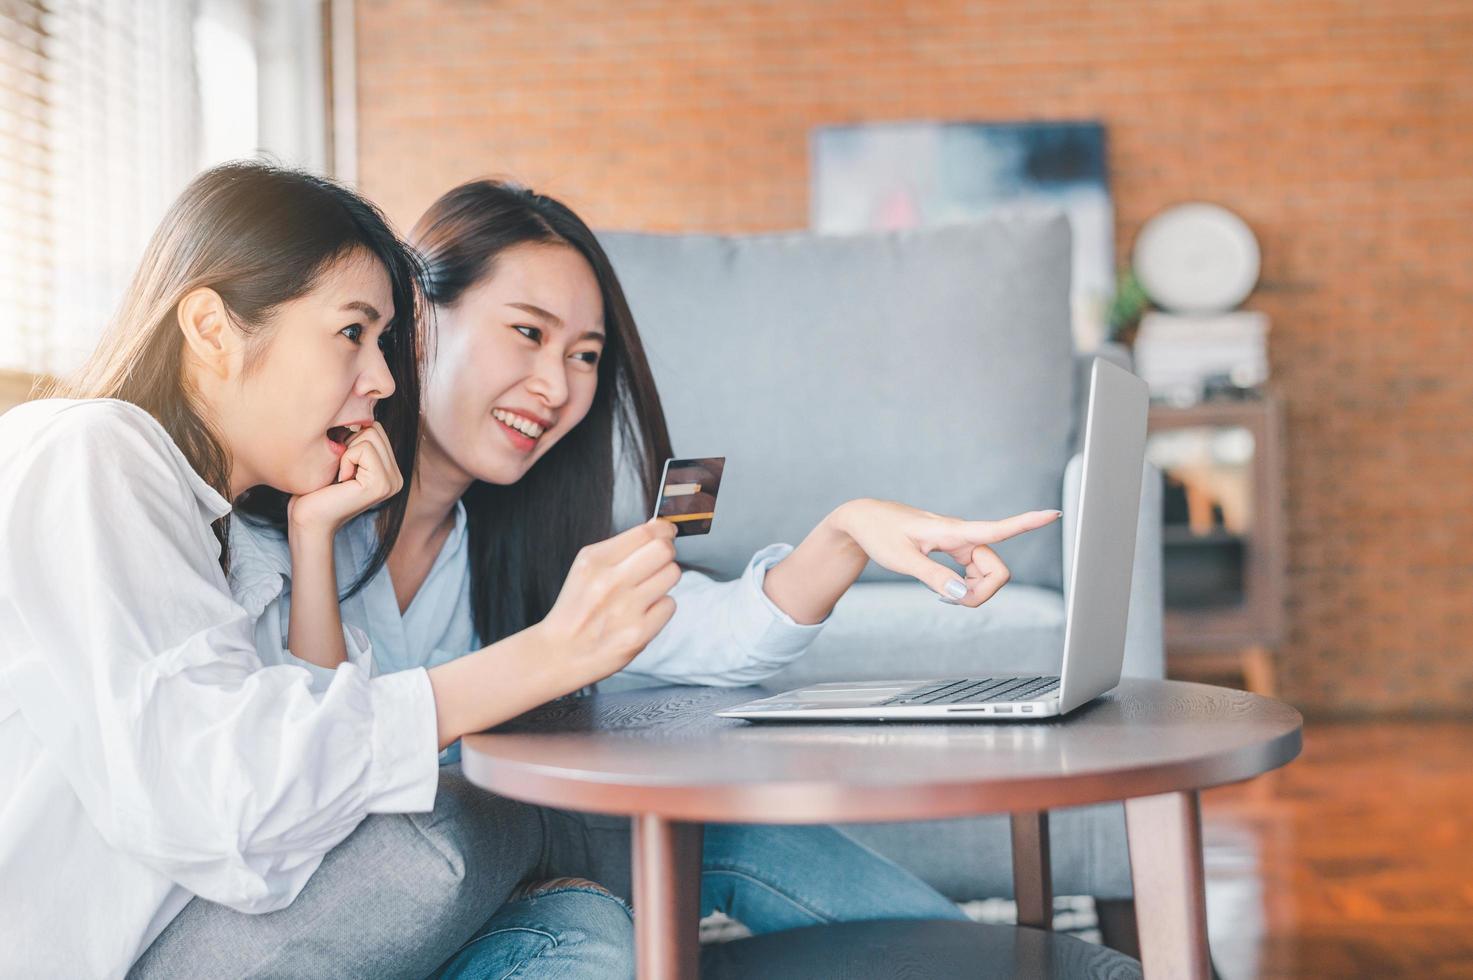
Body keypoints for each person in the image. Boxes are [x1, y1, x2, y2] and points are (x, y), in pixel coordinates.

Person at [227, 178, 1062, 974]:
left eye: (585, 355)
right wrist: (312, 541)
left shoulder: (515, 545)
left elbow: (723, 632)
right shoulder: (280, 523)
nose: (555, 386)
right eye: (527, 332)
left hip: (502, 883)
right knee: (598, 916)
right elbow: (318, 768)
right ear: (413, 328)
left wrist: (845, 533)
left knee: (723, 831)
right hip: (357, 914)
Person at [0, 162, 662, 980]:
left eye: (384, 342)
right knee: (502, 837)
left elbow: (312, 800)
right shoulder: (90, 451)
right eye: (353, 332)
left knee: (582, 922)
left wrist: (314, 541)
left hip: (209, 932)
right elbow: (221, 809)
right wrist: (541, 657)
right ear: (211, 329)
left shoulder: (229, 538)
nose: (384, 380)